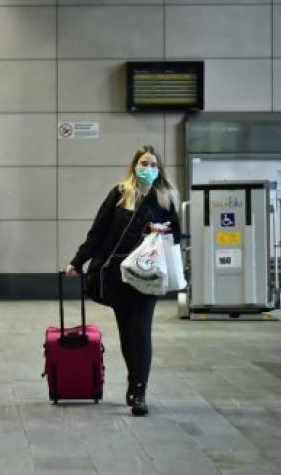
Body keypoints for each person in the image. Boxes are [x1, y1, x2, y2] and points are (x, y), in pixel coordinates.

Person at [63, 145, 181, 417]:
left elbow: (176, 236)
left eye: (153, 164)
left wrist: (160, 231)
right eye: (143, 163)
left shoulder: (165, 199)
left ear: (159, 169)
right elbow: (98, 232)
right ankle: (133, 382)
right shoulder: (119, 194)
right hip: (117, 276)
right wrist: (77, 261)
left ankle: (139, 391)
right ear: (134, 165)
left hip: (146, 276)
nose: (148, 168)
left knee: (141, 330)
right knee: (128, 332)